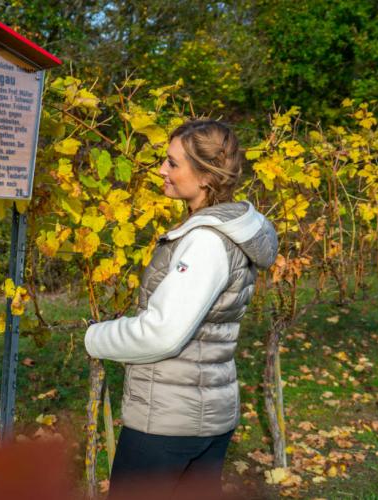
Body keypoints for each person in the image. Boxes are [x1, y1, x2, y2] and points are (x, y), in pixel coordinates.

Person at [84, 119, 278, 499]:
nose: (161, 169)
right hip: (205, 416)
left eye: (172, 163)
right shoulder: (226, 232)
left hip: (168, 424)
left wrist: (95, 337)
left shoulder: (205, 242)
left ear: (205, 175)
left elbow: (163, 333)